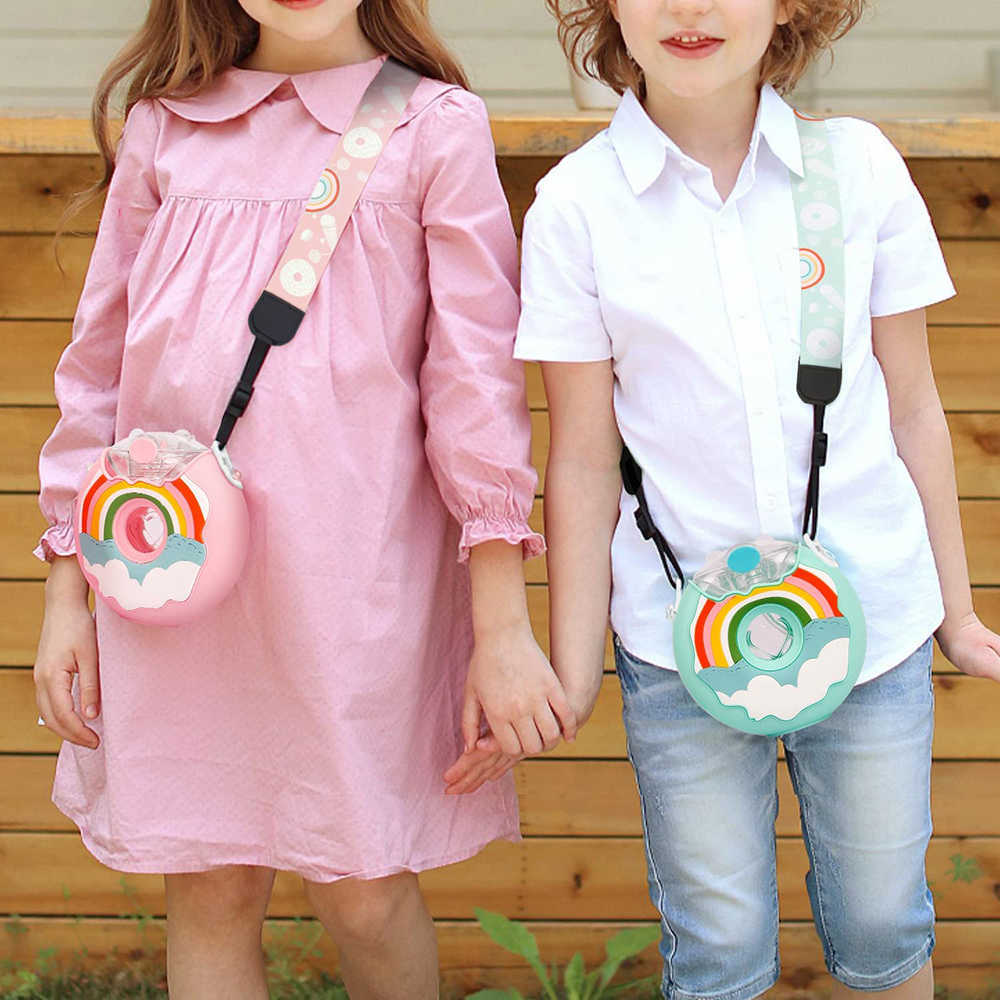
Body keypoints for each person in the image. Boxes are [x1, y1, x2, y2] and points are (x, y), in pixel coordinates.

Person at [32, 1, 574, 997]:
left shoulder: (431, 127)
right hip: (173, 582)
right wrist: (66, 589)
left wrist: (500, 624)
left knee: (365, 885)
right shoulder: (166, 126)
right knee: (209, 884)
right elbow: (97, 369)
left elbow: (476, 390)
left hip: (356, 581)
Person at [513, 0, 1000, 997]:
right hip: (674, 641)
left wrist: (956, 611)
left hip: (872, 622)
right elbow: (581, 456)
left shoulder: (856, 170)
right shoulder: (575, 206)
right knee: (717, 945)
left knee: (880, 921)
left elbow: (913, 408)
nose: (689, 10)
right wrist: (568, 665)